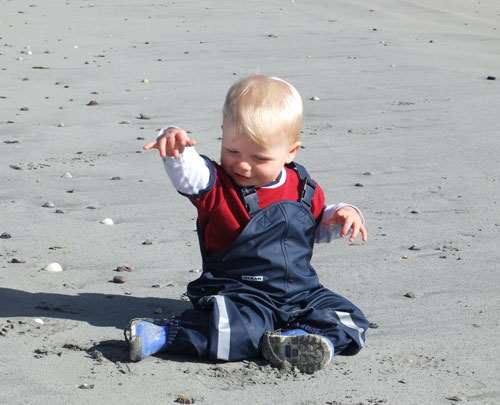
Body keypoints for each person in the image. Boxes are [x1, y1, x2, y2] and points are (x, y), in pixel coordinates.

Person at [125, 75, 369, 374]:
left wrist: (340, 215)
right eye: (232, 151)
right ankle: (164, 334)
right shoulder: (216, 187)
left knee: (350, 318)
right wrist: (175, 145)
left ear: (291, 152)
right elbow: (189, 172)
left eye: (259, 157)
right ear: (224, 134)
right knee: (233, 334)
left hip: (300, 293)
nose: (242, 165)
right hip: (240, 294)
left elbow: (315, 227)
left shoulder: (304, 188)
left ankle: (297, 339)